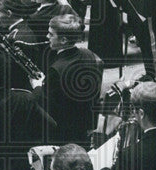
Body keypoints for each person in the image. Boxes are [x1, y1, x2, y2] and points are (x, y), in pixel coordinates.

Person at [33, 13, 104, 147]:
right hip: (84, 126)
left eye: (51, 34)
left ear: (64, 40)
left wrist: (38, 86)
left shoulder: (56, 69)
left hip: (62, 133)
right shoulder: (88, 54)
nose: (47, 37)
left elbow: (47, 106)